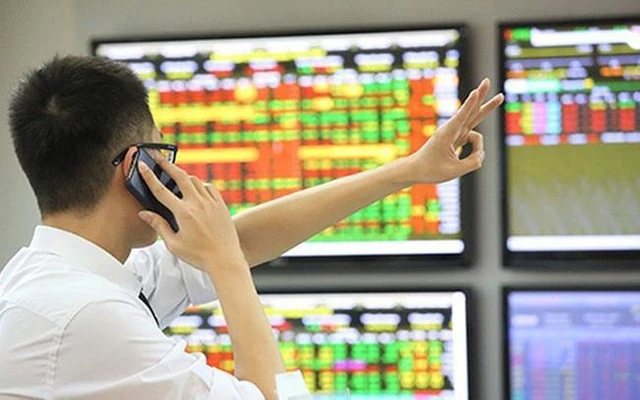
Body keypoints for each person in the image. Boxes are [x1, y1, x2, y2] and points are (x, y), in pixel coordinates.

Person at [0, 55, 503, 399]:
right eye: (163, 152)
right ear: (137, 167)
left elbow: (243, 239)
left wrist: (409, 171)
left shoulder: (68, 277)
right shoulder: (85, 316)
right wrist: (226, 265)